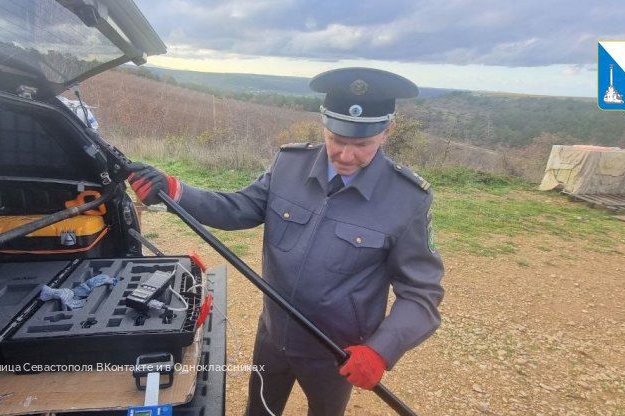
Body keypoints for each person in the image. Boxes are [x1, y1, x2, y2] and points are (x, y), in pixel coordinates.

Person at [127, 67, 444, 416]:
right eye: (337, 139)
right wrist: (176, 191)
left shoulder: (407, 199)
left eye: (362, 144)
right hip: (273, 336)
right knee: (259, 411)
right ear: (323, 123)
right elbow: (239, 208)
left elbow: (421, 295)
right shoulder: (290, 163)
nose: (346, 155)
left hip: (336, 354)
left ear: (387, 132)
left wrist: (381, 349)